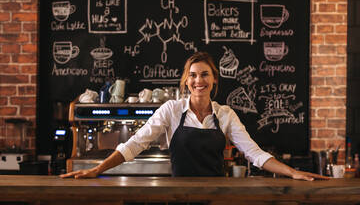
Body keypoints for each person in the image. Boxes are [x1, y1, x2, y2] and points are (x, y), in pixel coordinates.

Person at [61, 52, 329, 181]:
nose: (198, 80)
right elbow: (134, 145)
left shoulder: (225, 115)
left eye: (204, 74)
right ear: (185, 81)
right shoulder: (171, 110)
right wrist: (97, 169)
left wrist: (293, 172)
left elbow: (255, 154)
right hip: (179, 195)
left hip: (217, 195)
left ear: (214, 79)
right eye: (192, 75)